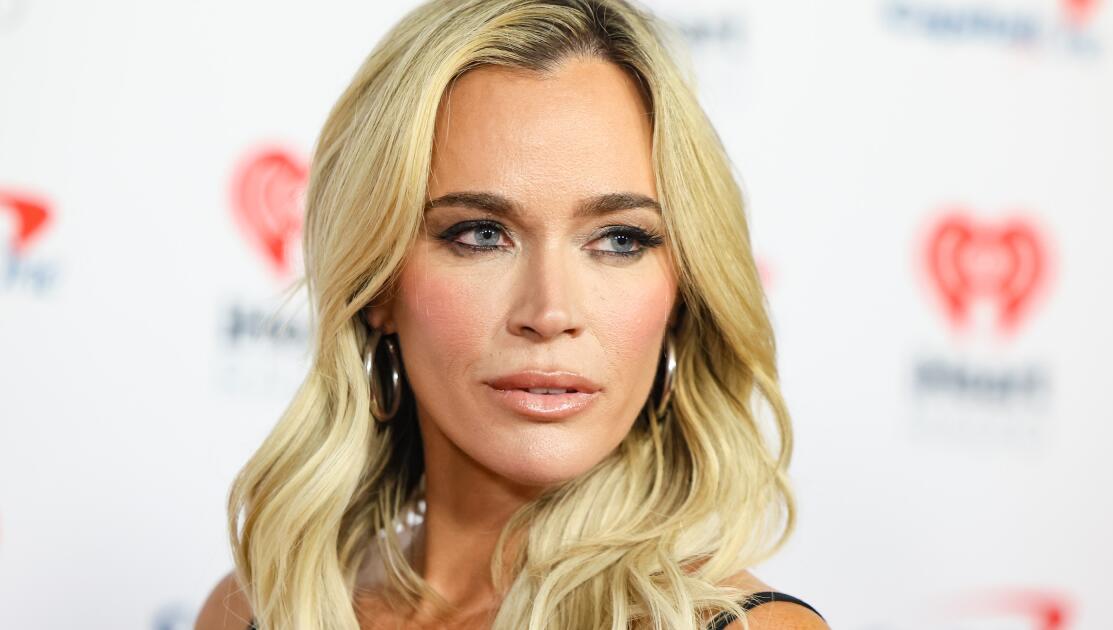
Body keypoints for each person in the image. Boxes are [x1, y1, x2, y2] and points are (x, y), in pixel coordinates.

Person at [196, 0, 828, 628]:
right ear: (379, 286)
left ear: (681, 295)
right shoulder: (258, 610)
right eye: (481, 234)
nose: (549, 312)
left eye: (619, 240)